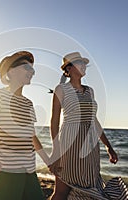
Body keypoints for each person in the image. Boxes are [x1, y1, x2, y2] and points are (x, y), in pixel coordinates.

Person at [0, 51, 49, 200]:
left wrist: (49, 161)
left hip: (29, 171)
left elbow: (32, 136)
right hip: (5, 171)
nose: (32, 72)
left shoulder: (28, 103)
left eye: (33, 69)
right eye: (27, 68)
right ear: (11, 71)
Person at [49, 52, 119, 200]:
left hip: (90, 146)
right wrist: (56, 151)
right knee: (61, 192)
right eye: (79, 63)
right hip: (69, 143)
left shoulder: (90, 91)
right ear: (69, 68)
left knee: (90, 189)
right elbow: (54, 121)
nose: (84, 66)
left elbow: (94, 121)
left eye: (84, 63)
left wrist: (108, 147)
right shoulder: (61, 89)